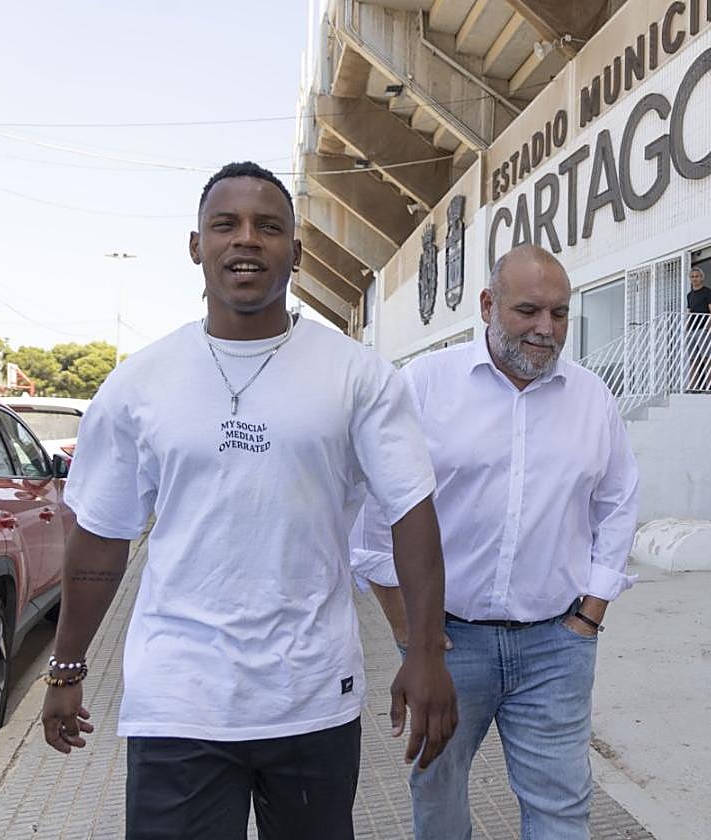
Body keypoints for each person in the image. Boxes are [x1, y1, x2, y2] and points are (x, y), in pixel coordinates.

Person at [40, 161, 457, 840]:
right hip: (177, 699)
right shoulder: (139, 383)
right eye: (225, 224)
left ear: (295, 251)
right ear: (195, 245)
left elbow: (412, 511)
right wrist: (66, 665)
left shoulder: (358, 375)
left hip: (312, 697)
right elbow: (102, 534)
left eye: (269, 227)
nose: (247, 240)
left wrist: (426, 653)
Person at [355, 244, 639, 840]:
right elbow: (378, 520)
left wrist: (591, 613)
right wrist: (413, 638)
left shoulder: (593, 400)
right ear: (487, 305)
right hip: (449, 644)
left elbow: (616, 505)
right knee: (437, 790)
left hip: (556, 648)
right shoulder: (424, 387)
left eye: (560, 314)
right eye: (528, 310)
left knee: (563, 806)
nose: (546, 329)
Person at [686, 266, 711, 390]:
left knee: (706, 358)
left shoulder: (708, 292)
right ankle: (693, 386)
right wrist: (686, 328)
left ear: (702, 278)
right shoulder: (689, 295)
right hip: (692, 330)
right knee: (693, 359)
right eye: (692, 277)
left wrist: (707, 329)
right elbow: (689, 312)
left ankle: (710, 386)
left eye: (697, 276)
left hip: (703, 329)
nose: (695, 279)